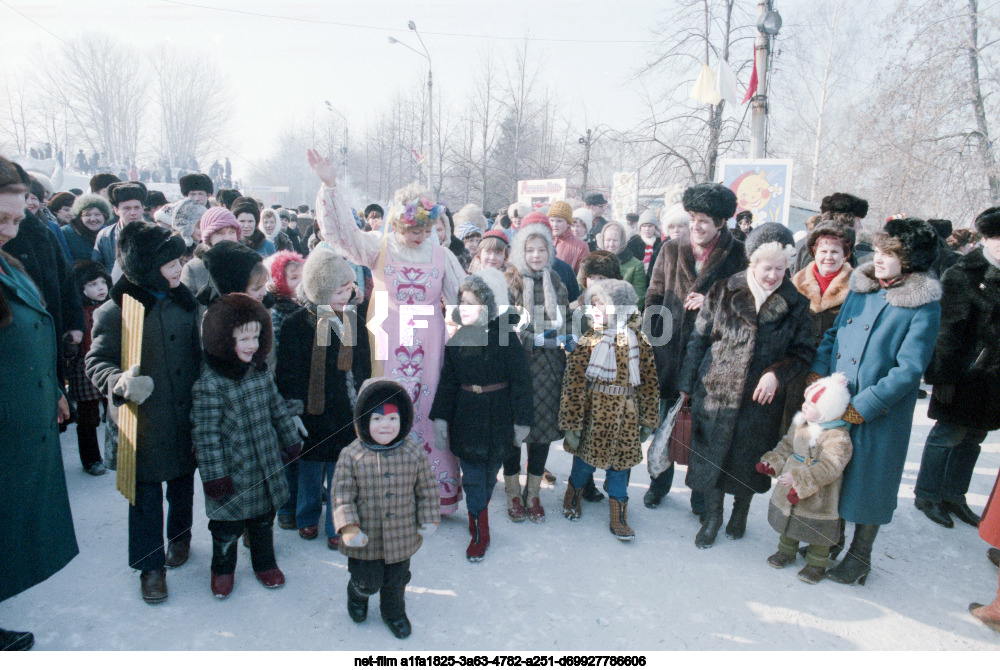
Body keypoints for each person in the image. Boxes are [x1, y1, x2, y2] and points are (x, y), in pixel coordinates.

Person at [308, 149, 466, 514]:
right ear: (397, 223)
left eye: (427, 229)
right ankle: (384, 490)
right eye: (414, 229)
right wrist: (330, 185)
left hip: (429, 342)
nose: (421, 235)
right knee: (386, 406)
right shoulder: (378, 246)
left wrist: (496, 328)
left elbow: (466, 300)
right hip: (387, 340)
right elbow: (341, 234)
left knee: (427, 408)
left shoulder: (442, 255)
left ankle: (432, 491)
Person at [810, 217, 941, 585]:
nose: (878, 258)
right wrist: (818, 374)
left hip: (879, 412)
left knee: (870, 484)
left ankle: (860, 556)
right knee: (833, 472)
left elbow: (908, 369)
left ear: (911, 260)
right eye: (879, 250)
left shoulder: (923, 306)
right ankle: (829, 540)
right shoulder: (862, 287)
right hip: (838, 399)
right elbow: (834, 335)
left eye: (889, 253)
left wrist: (865, 405)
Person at [678, 223, 815, 549]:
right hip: (716, 391)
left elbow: (803, 352)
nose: (773, 276)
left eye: (780, 269)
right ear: (753, 262)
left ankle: (741, 511)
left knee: (748, 459)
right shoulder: (724, 289)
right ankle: (713, 517)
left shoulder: (796, 304)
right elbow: (698, 339)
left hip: (760, 399)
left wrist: (776, 374)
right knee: (712, 456)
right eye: (767, 268)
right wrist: (686, 385)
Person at [86, 221, 201, 604]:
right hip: (144, 422)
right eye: (170, 262)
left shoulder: (187, 302)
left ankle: (180, 536)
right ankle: (151, 567)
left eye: (180, 260)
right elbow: (96, 361)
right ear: (147, 266)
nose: (178, 267)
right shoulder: (116, 310)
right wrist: (118, 380)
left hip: (185, 416)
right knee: (146, 496)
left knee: (183, 483)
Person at [0, 160, 78, 651]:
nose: (8, 232)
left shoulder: (12, 263)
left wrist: (53, 390)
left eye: (14, 220)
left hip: (22, 426)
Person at [643, 183, 746, 512]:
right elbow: (654, 296)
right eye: (692, 218)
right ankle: (659, 483)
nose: (696, 226)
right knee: (666, 425)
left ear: (721, 222)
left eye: (704, 220)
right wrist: (652, 342)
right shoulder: (672, 249)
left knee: (704, 428)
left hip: (712, 358)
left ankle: (700, 493)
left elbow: (748, 305)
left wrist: (713, 301)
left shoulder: (739, 254)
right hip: (669, 354)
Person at [191, 294, 301, 598]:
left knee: (263, 520)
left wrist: (290, 439)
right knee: (227, 527)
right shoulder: (210, 383)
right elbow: (206, 434)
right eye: (243, 338)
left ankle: (265, 563)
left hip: (263, 462)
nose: (251, 344)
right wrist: (214, 476)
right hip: (233, 470)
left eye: (255, 336)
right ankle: (222, 569)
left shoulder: (259, 370)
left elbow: (277, 407)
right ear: (224, 339)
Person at [431, 268, 532, 561]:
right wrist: (441, 418)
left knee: (489, 475)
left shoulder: (505, 337)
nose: (465, 308)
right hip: (467, 415)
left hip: (499, 413)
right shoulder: (457, 340)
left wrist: (522, 420)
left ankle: (479, 511)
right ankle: (480, 529)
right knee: (473, 476)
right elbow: (448, 382)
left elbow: (522, 381)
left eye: (472, 302)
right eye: (462, 301)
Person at [332, 378, 441, 640]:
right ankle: (358, 593)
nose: (385, 426)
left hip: (402, 537)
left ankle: (394, 612)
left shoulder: (413, 452)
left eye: (392, 419)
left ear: (402, 420)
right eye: (377, 419)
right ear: (364, 422)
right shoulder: (352, 454)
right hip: (365, 538)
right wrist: (348, 526)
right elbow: (342, 494)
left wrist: (428, 518)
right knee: (368, 580)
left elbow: (426, 489)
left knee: (396, 581)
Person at [275, 249, 370, 549]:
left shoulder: (354, 321)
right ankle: (306, 516)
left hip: (343, 409)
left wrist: (362, 402)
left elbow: (363, 364)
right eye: (338, 290)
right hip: (310, 412)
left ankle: (336, 523)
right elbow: (287, 373)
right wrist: (291, 411)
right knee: (309, 469)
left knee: (340, 471)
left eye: (349, 288)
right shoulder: (295, 325)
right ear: (319, 291)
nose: (346, 295)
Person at [915, 207, 1000, 529]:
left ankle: (954, 495)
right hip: (963, 374)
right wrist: (943, 378)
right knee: (947, 435)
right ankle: (927, 493)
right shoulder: (964, 273)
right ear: (986, 238)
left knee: (974, 438)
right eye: (997, 237)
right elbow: (947, 330)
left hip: (993, 378)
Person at [560, 279, 659, 540]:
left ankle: (619, 514)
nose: (595, 308)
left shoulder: (639, 340)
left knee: (621, 468)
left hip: (627, 415)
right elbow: (574, 383)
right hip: (594, 414)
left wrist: (648, 418)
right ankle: (573, 496)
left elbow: (649, 381)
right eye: (593, 303)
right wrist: (572, 423)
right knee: (583, 464)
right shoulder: (589, 339)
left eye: (601, 303)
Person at [758, 373, 853, 584]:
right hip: (790, 481)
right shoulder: (800, 424)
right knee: (789, 519)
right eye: (806, 401)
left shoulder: (838, 437)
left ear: (828, 410)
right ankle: (786, 551)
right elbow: (786, 446)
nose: (804, 406)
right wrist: (773, 462)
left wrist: (800, 478)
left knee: (818, 529)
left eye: (812, 404)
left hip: (821, 491)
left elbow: (831, 466)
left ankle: (817, 562)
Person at [505, 222, 569, 521]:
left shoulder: (556, 281)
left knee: (541, 432)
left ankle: (533, 493)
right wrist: (533, 338)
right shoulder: (512, 282)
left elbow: (565, 317)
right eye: (529, 250)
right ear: (520, 252)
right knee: (514, 432)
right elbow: (506, 325)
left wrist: (565, 334)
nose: (536, 255)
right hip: (517, 366)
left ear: (550, 252)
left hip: (549, 368)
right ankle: (512, 493)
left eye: (542, 249)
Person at [782, 222, 855, 442]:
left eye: (835, 252)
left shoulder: (857, 288)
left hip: (834, 369)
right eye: (823, 251)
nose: (829, 257)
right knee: (793, 426)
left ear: (846, 256)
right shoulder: (795, 284)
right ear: (814, 252)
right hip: (798, 366)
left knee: (826, 430)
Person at [66, 260, 113, 475]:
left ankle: (116, 453)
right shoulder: (77, 311)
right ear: (81, 288)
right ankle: (91, 459)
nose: (101, 287)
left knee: (114, 411)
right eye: (93, 284)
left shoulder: (111, 307)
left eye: (103, 282)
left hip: (109, 364)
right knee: (88, 417)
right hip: (83, 368)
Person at [180, 207, 243, 298]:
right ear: (208, 238)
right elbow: (186, 307)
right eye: (220, 233)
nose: (228, 237)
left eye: (232, 232)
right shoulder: (193, 268)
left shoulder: (246, 263)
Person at [92, 181, 147, 277]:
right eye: (127, 208)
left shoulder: (158, 234)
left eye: (137, 207)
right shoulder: (105, 235)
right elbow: (97, 269)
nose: (133, 213)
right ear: (116, 210)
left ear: (143, 208)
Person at [600, 221, 647, 310]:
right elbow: (582, 289)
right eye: (608, 240)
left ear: (622, 241)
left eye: (615, 240)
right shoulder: (593, 261)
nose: (611, 244)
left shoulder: (636, 265)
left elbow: (639, 298)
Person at [266, 249, 304, 343]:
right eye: (294, 278)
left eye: (303, 276)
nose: (301, 282)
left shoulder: (305, 303)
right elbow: (277, 342)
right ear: (280, 282)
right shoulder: (278, 310)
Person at [62, 194, 112, 262]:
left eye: (97, 214)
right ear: (79, 217)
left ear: (105, 216)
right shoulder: (66, 232)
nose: (93, 219)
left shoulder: (110, 234)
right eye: (87, 215)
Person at [548, 201, 589, 272]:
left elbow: (582, 276)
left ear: (568, 223)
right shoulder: (543, 240)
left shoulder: (581, 246)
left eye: (559, 221)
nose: (554, 224)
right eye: (552, 220)